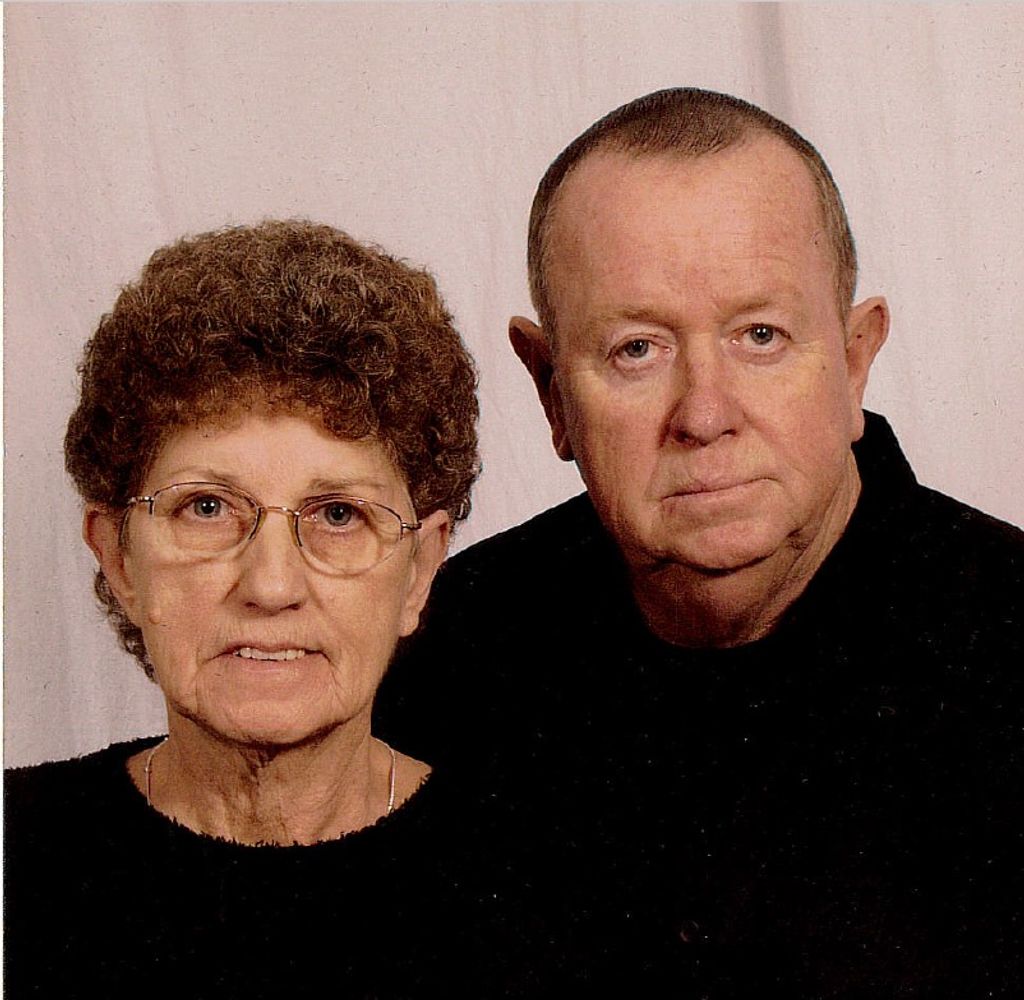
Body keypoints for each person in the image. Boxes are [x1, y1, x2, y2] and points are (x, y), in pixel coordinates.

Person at [377, 89, 1024, 993]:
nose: (705, 414)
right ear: (551, 389)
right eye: (637, 350)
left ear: (854, 359)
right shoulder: (433, 653)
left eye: (760, 336)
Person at [4, 220, 538, 996]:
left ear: (420, 570)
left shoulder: (544, 886)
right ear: (119, 558)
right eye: (208, 508)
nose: (272, 584)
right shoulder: (16, 853)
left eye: (338, 514)